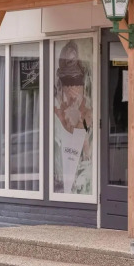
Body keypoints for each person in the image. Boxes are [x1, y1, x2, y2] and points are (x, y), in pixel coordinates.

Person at [53, 41, 93, 194]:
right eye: (67, 84)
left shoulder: (89, 117)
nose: (72, 89)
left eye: (76, 83)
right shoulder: (57, 119)